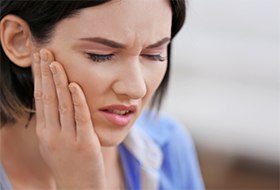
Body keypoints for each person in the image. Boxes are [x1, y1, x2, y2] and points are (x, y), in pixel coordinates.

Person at [0, 0, 204, 189]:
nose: (136, 88)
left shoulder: (169, 147)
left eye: (154, 55)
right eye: (101, 55)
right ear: (18, 40)